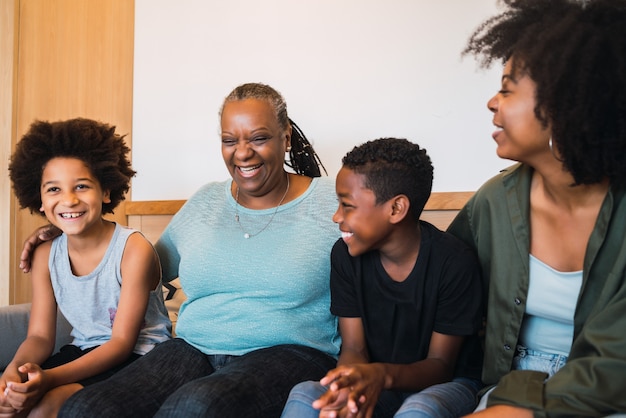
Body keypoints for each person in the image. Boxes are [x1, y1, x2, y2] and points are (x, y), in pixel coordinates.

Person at [19, 83, 342, 417]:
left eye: (258, 138)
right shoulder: (207, 201)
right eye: (229, 140)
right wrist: (67, 231)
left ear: (285, 137)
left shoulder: (332, 200)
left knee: (194, 406)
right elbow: (139, 264)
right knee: (88, 407)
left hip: (290, 353)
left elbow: (388, 257)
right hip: (192, 349)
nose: (242, 153)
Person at [447, 0, 626, 416]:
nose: (493, 102)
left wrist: (527, 409)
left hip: (605, 394)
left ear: (563, 106)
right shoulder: (493, 201)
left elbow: (616, 363)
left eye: (507, 88)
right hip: (510, 385)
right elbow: (443, 286)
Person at [281, 138, 484, 418]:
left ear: (396, 209)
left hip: (447, 383)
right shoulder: (345, 255)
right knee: (305, 394)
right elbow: (353, 348)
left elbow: (440, 365)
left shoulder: (454, 262)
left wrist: (381, 375)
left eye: (347, 205)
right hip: (375, 378)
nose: (336, 216)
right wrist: (348, 384)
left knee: (418, 410)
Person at [1, 118, 172, 417]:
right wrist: (13, 374)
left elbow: (121, 343)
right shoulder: (45, 255)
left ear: (106, 192)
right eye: (53, 189)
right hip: (81, 351)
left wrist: (49, 379)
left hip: (138, 357)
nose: (68, 199)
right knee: (12, 402)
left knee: (44, 408)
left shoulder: (133, 250)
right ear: (39, 199)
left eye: (81, 186)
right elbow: (40, 337)